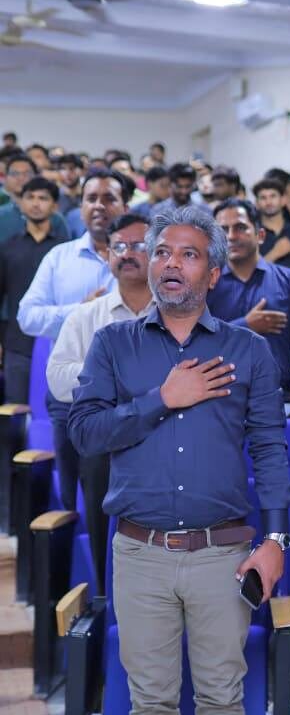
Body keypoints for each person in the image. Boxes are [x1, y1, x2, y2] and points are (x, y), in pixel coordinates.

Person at [68, 204, 290, 715]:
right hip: (140, 551)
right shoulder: (115, 343)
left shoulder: (247, 349)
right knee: (152, 699)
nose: (171, 263)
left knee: (223, 695)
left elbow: (270, 449)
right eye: (163, 251)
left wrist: (275, 541)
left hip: (224, 551)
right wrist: (161, 400)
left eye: (189, 254)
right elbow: (85, 433)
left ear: (213, 273)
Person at [46, 213, 154, 592]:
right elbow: (58, 378)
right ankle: (107, 606)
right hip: (104, 445)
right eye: (118, 246)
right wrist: (113, 380)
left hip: (165, 442)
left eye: (139, 246)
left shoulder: (177, 313)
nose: (127, 253)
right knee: (104, 545)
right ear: (108, 255)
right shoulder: (85, 316)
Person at [18, 167, 126, 514]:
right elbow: (27, 316)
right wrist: (78, 311)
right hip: (71, 394)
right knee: (71, 493)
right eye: (91, 198)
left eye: (109, 198)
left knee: (124, 492)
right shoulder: (59, 258)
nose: (99, 206)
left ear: (124, 206)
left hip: (129, 395)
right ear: (80, 207)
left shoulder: (144, 261)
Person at [208, 198, 290, 417]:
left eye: (240, 227)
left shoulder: (289, 281)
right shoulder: (206, 285)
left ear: (261, 235)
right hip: (218, 401)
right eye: (223, 230)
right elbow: (195, 343)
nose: (231, 236)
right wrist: (245, 325)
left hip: (277, 399)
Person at [0, 177, 66, 403]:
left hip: (58, 343)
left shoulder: (65, 249)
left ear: (54, 206)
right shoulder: (7, 248)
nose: (36, 203)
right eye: (30, 197)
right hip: (16, 343)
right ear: (20, 203)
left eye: (43, 198)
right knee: (15, 409)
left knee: (56, 409)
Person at [0, 153, 70, 243]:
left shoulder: (55, 218)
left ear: (36, 176)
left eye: (27, 173)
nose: (21, 178)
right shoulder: (2, 215)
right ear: (5, 178)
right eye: (14, 173)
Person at [253, 178, 290, 274]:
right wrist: (274, 254)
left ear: (283, 200)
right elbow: (247, 274)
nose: (268, 202)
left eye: (273, 196)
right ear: (257, 204)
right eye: (263, 198)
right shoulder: (251, 235)